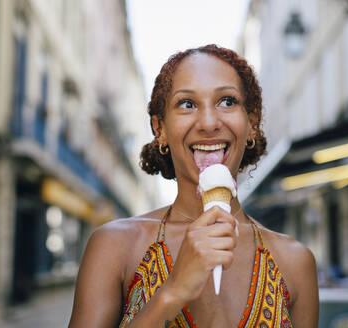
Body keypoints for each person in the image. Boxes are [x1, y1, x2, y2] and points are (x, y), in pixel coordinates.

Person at [68, 44, 319, 328]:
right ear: (160, 128)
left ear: (251, 122)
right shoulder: (114, 246)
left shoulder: (295, 262)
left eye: (227, 101)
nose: (209, 123)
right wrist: (173, 291)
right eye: (187, 104)